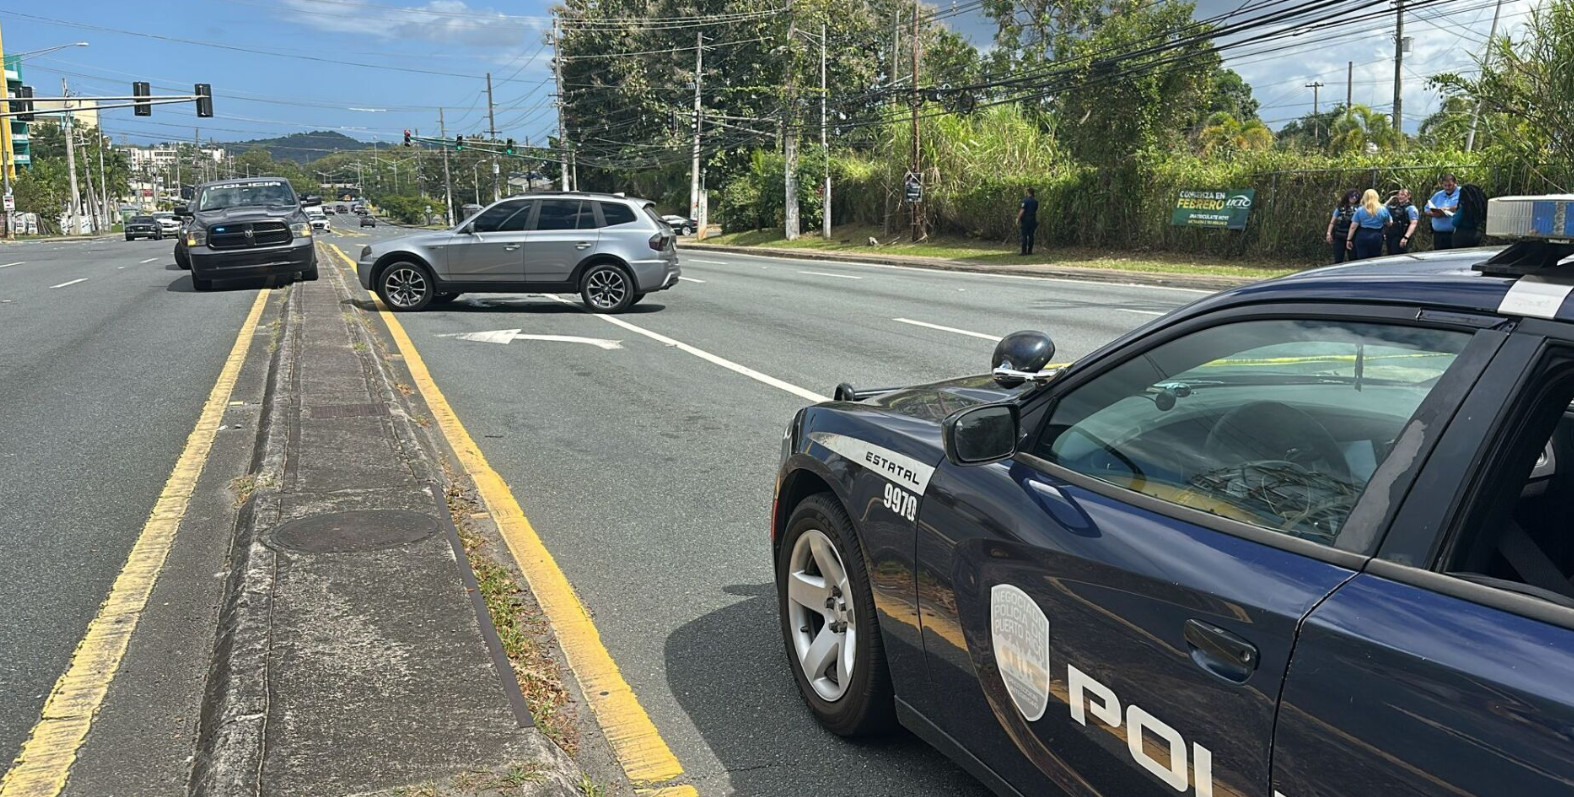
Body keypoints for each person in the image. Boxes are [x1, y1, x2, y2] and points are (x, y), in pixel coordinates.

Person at [1346, 189, 1391, 260]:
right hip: (1377, 235)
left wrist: (1349, 239)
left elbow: (1353, 227)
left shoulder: (1360, 210)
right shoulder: (1383, 209)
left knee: (1362, 258)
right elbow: (1389, 223)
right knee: (1375, 258)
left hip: (1362, 235)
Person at [1425, 175, 1462, 250]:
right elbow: (1426, 209)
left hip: (1455, 234)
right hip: (1438, 235)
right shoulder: (1438, 195)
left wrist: (1448, 209)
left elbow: (1464, 205)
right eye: (1445, 185)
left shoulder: (1461, 193)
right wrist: (1434, 214)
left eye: (1450, 185)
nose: (1447, 188)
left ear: (1455, 183)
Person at [1325, 189, 1360, 264]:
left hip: (1353, 237)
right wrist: (1328, 233)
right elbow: (1332, 222)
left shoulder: (1359, 209)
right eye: (1352, 196)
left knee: (1353, 259)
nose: (1354, 198)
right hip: (1339, 235)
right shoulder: (1340, 208)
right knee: (1338, 258)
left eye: (1356, 196)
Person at [1384, 188, 1421, 255]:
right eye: (1399, 195)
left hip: (1401, 236)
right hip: (1391, 236)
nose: (1400, 196)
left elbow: (1413, 223)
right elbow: (1382, 208)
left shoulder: (1411, 208)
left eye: (1403, 195)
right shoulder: (1394, 207)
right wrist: (1389, 200)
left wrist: (1405, 237)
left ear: (1408, 196)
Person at [1018, 188, 1038, 256]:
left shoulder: (1025, 201)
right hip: (1032, 220)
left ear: (1028, 193)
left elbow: (1022, 210)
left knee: (1024, 236)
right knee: (1031, 236)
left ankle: (1024, 251)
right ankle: (1030, 251)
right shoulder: (1035, 201)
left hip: (1025, 220)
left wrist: (1018, 218)